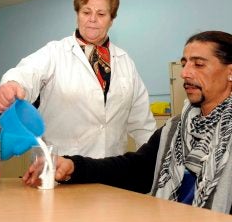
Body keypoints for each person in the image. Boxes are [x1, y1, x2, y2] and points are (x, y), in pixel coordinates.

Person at [23, 30, 232, 214]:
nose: (185, 73)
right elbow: (135, 170)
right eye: (184, 63)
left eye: (199, 64)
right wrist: (73, 166)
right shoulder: (176, 128)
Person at [0, 0, 156, 158]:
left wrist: (153, 165)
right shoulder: (55, 51)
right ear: (78, 15)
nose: (92, 19)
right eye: (86, 12)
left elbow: (143, 124)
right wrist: (13, 85)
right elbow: (27, 72)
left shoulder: (126, 62)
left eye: (101, 14)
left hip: (111, 170)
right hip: (59, 169)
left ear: (111, 20)